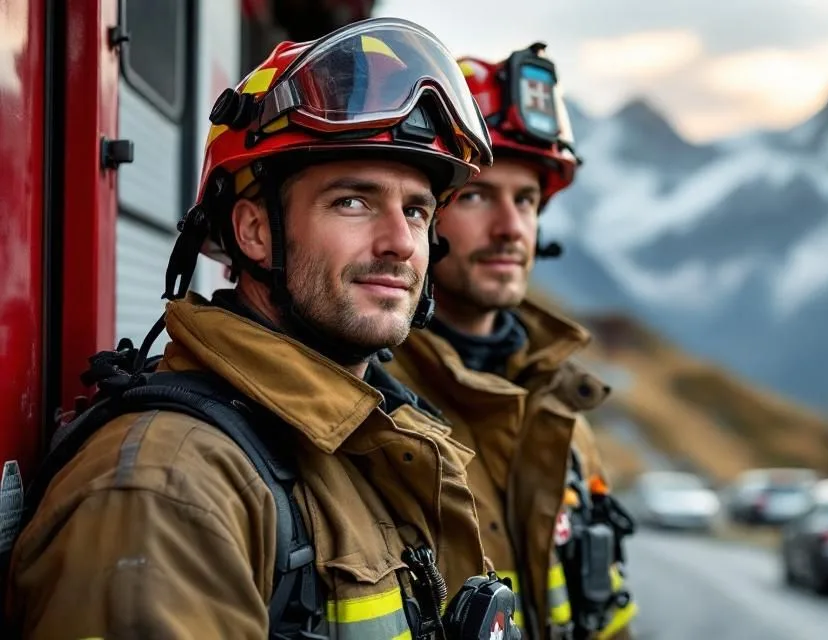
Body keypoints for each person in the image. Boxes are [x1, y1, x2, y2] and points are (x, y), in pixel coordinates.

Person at [6, 17, 510, 639]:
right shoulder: (169, 492)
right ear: (255, 231)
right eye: (352, 202)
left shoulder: (365, 440)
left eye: (415, 210)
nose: (400, 243)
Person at [381, 43, 637, 640]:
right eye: (476, 196)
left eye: (526, 201)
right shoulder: (367, 408)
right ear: (423, 216)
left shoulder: (562, 410)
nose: (510, 228)